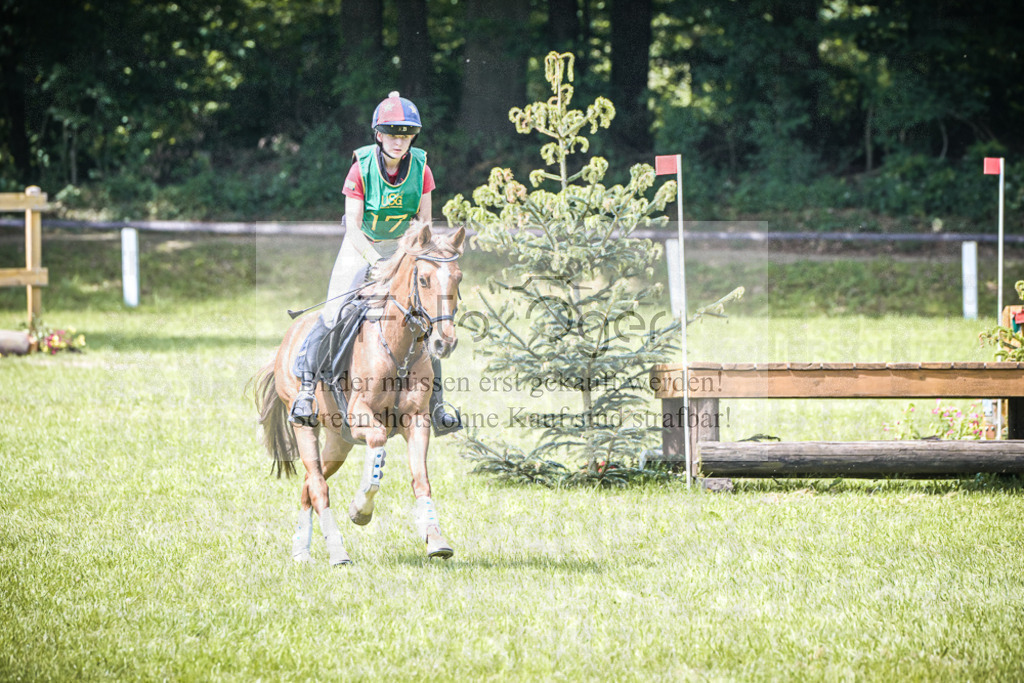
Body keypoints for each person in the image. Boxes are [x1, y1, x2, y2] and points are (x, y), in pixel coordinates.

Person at [289, 91, 462, 436]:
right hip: (360, 247)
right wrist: (371, 260)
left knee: (426, 323)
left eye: (406, 135)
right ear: (379, 135)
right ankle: (307, 392)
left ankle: (438, 406)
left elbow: (423, 225)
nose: (399, 142)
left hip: (402, 250)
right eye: (392, 134)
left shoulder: (422, 170)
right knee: (334, 310)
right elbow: (352, 225)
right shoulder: (361, 168)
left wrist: (410, 259)